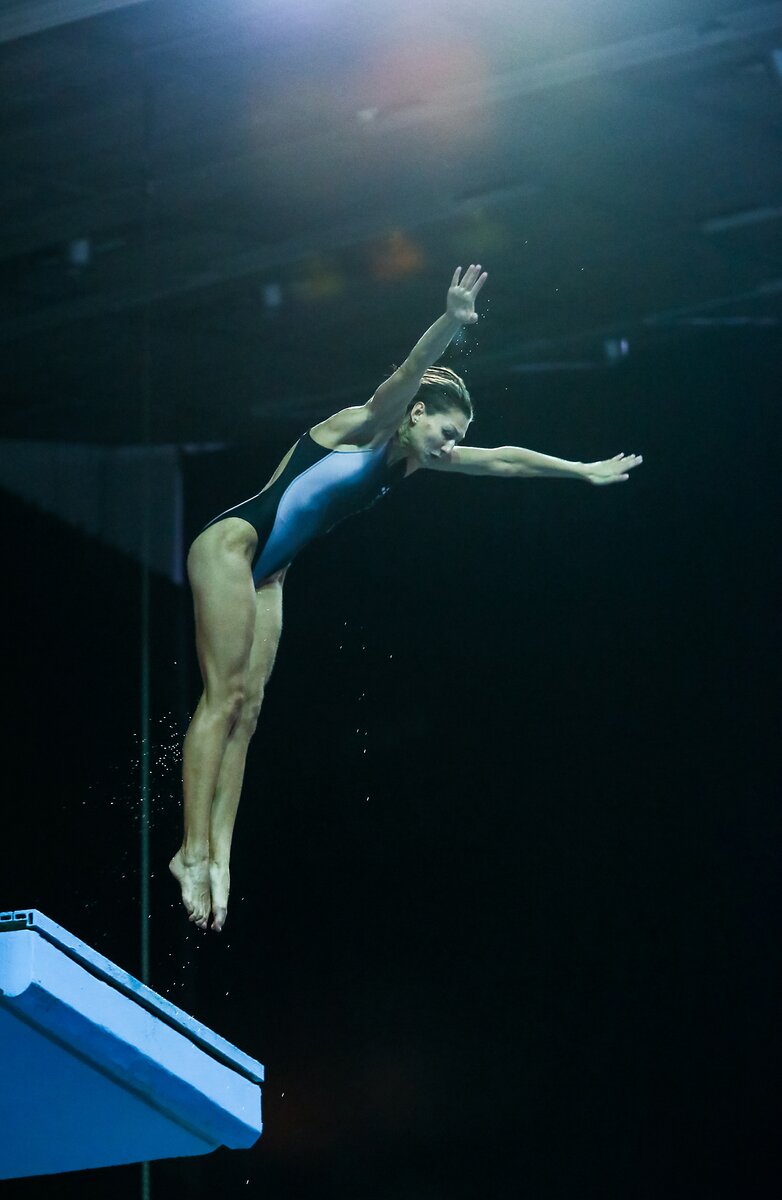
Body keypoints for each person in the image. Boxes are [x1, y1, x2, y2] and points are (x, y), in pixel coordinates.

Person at [170, 265, 642, 931]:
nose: (453, 448)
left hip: (272, 574)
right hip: (232, 547)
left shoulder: (417, 458)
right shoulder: (368, 422)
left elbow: (503, 458)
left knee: (250, 711)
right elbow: (418, 362)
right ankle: (189, 852)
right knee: (222, 700)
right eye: (447, 433)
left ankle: (219, 853)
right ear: (417, 413)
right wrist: (451, 320)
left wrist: (579, 470)